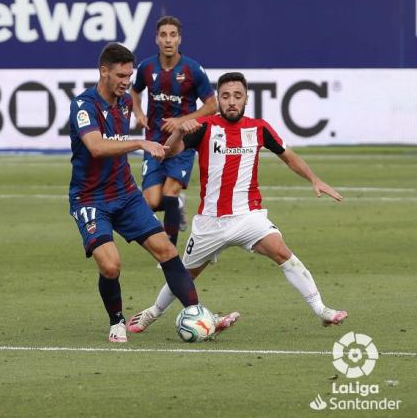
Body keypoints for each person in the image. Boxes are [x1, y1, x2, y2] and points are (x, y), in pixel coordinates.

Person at [126, 72, 348, 334]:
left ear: (246, 99)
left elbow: (288, 156)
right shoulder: (205, 127)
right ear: (218, 99)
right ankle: (152, 313)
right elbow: (167, 153)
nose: (232, 101)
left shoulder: (259, 128)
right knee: (185, 274)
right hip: (211, 221)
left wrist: (314, 179)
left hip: (248, 217)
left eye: (237, 96)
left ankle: (321, 310)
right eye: (226, 96)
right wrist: (177, 132)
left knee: (282, 252)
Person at [68, 42, 238, 343]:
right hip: (91, 199)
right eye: (120, 75)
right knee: (110, 265)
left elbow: (141, 125)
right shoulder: (84, 106)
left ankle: (199, 315)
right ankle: (117, 321)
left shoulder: (122, 102)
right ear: (103, 71)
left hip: (125, 193)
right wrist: (139, 143)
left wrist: (174, 133)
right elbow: (95, 147)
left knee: (168, 252)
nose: (126, 82)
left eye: (129, 76)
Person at [131, 16, 217, 247]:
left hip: (182, 144)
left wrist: (181, 122)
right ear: (156, 39)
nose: (168, 40)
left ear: (179, 39)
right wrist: (138, 112)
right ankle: (176, 206)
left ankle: (168, 251)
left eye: (173, 35)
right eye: (163, 35)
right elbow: (133, 91)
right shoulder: (146, 68)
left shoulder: (192, 69)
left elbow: (212, 105)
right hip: (154, 143)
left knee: (169, 193)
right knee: (151, 201)